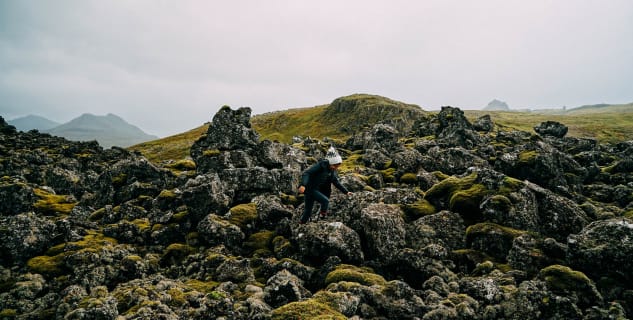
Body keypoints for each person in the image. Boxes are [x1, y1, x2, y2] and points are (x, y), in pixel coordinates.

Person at [297, 147, 352, 224]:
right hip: (309, 188)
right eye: (335, 166)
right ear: (331, 163)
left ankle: (302, 223)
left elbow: (336, 183)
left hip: (314, 189)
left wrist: (346, 192)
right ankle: (323, 218)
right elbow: (307, 173)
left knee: (308, 210)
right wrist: (303, 185)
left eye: (337, 166)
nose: (336, 168)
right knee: (325, 201)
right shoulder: (320, 166)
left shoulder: (331, 171)